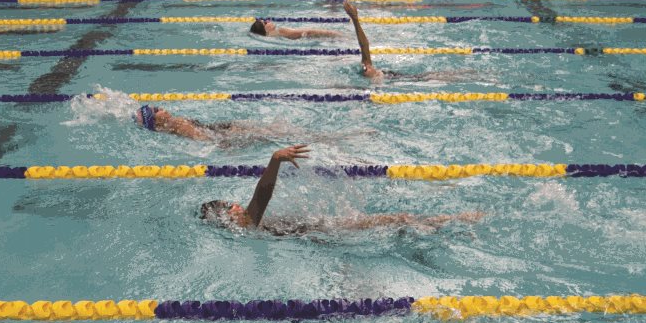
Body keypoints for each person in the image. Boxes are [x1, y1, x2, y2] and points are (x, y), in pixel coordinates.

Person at [198, 145, 486, 236]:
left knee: (396, 222)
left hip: (321, 233)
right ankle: (457, 220)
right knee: (396, 219)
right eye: (230, 207)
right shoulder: (249, 223)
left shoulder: (249, 230)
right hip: (330, 232)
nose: (236, 205)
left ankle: (451, 222)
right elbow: (263, 195)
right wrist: (274, 159)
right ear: (228, 218)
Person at [134, 103, 293, 144]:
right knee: (273, 132)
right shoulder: (177, 125)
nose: (159, 107)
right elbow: (203, 138)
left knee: (272, 129)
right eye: (155, 110)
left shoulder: (172, 124)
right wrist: (228, 139)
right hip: (225, 136)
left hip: (221, 128)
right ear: (157, 122)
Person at [249, 17, 342, 40]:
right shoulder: (281, 31)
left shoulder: (272, 36)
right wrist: (333, 33)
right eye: (265, 22)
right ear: (266, 30)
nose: (268, 20)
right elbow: (309, 32)